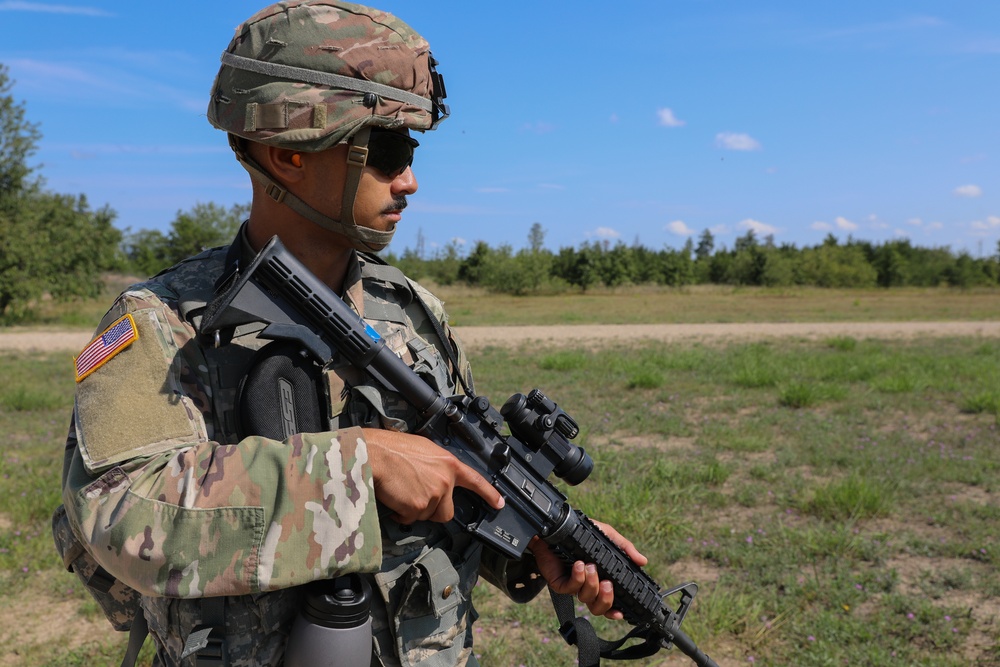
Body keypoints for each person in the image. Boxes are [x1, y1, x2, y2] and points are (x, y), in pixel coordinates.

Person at [54, 2, 646, 665]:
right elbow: (117, 512)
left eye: (411, 150)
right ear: (286, 152)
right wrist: (356, 469)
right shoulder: (165, 322)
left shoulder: (412, 312)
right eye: (386, 150)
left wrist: (529, 539)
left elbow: (441, 497)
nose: (410, 180)